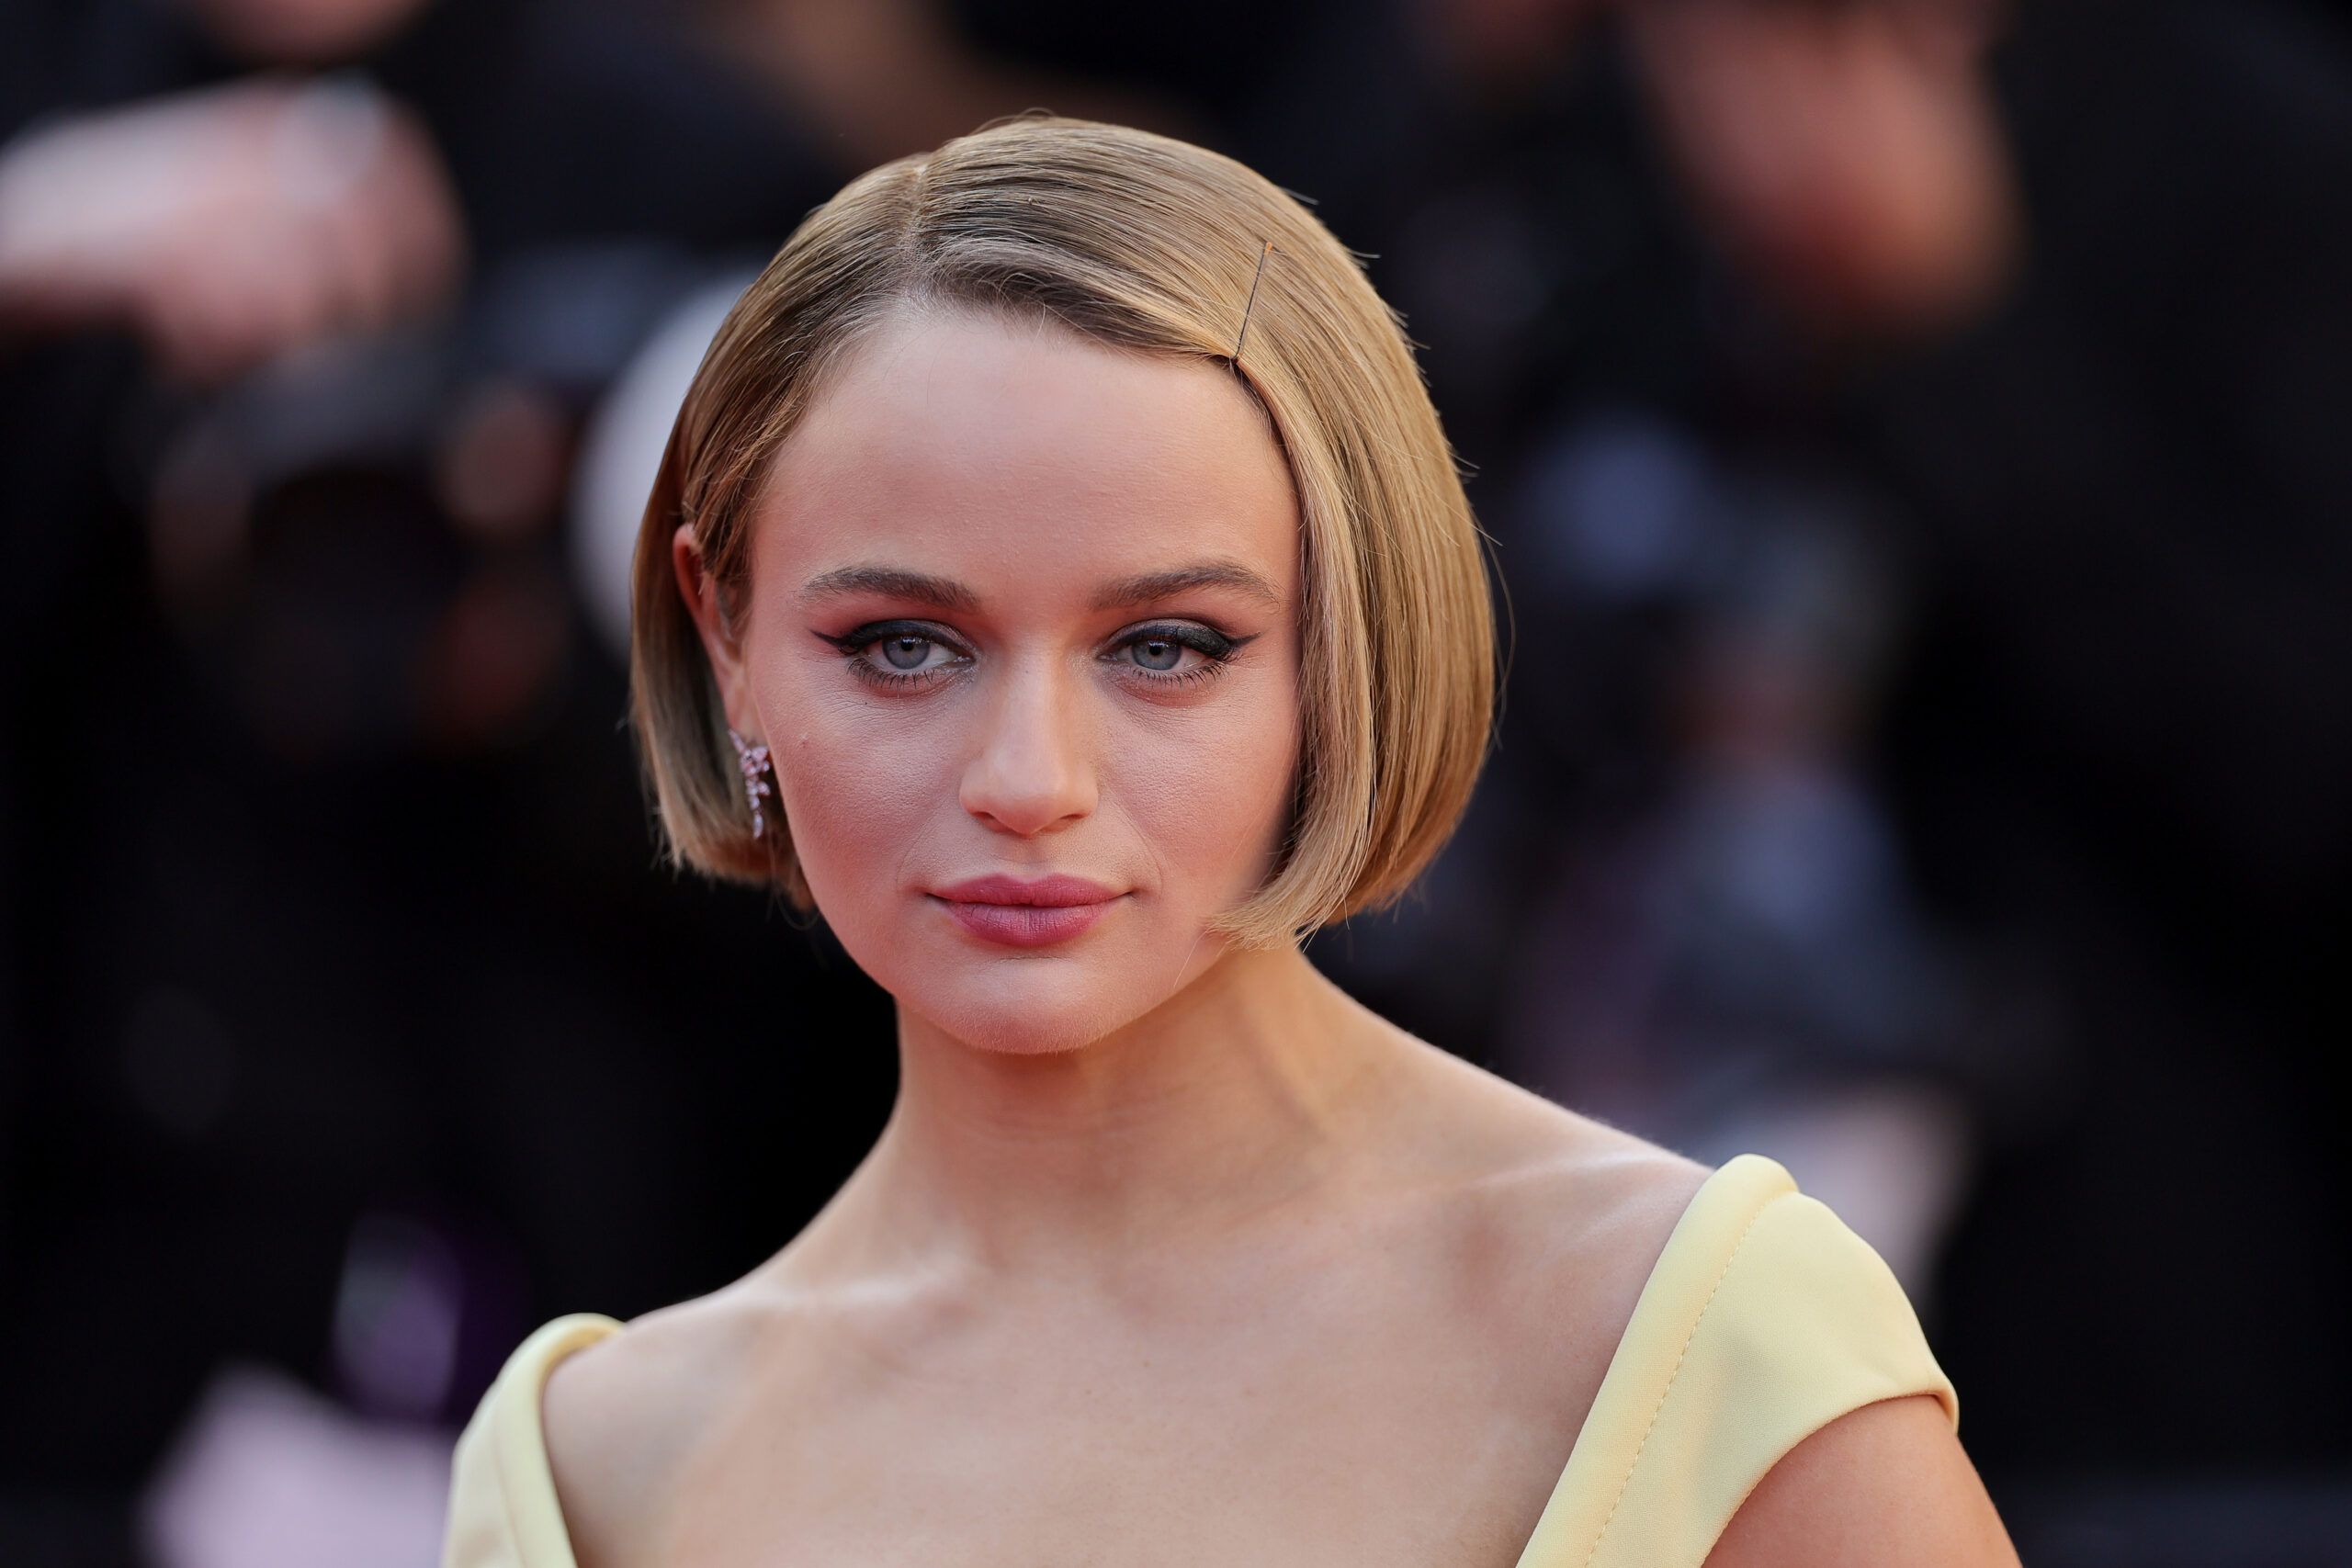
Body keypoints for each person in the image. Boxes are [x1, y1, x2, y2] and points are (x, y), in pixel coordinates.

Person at [440, 115, 2016, 1568]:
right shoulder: (589, 1476)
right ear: (727, 641)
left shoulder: (1695, 1348)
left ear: (1341, 648)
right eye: (905, 645)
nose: (1029, 778)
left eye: (1166, 646)